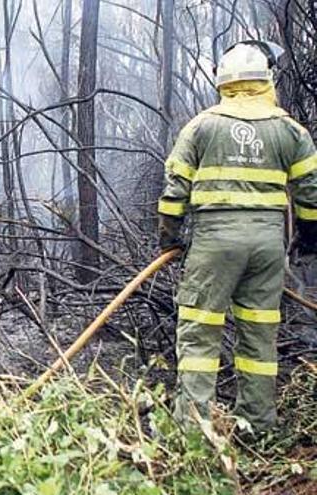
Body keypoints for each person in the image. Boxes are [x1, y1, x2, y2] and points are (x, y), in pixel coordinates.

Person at [158, 40, 317, 434]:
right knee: (260, 338)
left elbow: (174, 191)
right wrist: (308, 241)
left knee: (199, 336)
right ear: (266, 79)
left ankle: (193, 432)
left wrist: (170, 239)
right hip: (267, 248)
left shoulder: (201, 126)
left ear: (222, 81)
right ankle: (259, 429)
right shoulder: (290, 130)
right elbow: (311, 195)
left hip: (214, 244)